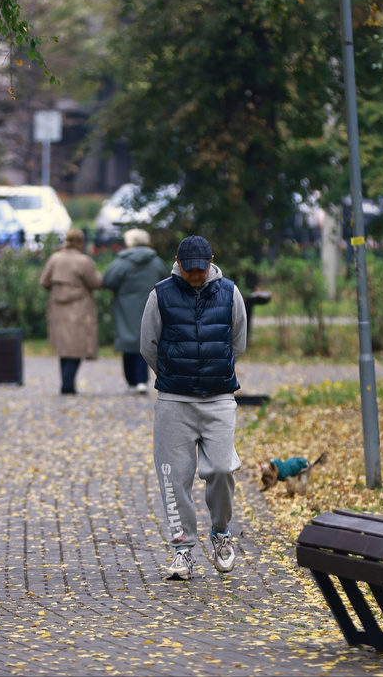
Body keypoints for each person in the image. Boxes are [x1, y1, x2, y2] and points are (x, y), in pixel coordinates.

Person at [140, 235, 247, 580]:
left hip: (218, 399)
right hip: (174, 402)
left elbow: (238, 343)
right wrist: (172, 374)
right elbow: (148, 345)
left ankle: (220, 532)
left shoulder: (230, 292)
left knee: (221, 469)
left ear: (211, 261)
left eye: (201, 270)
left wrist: (216, 369)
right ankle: (182, 550)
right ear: (178, 263)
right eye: (189, 270)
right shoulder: (160, 295)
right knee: (174, 478)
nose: (195, 276)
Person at [101, 228, 168, 394]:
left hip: (125, 308)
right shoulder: (157, 262)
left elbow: (107, 281)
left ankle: (131, 380)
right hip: (150, 305)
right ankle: (141, 380)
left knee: (128, 342)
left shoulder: (122, 262)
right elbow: (167, 282)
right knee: (146, 340)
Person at [39, 228, 103, 394]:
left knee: (65, 348)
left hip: (58, 308)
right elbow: (95, 283)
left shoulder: (54, 259)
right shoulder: (84, 261)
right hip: (79, 307)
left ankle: (66, 383)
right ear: (80, 242)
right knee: (76, 346)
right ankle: (68, 385)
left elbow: (44, 282)